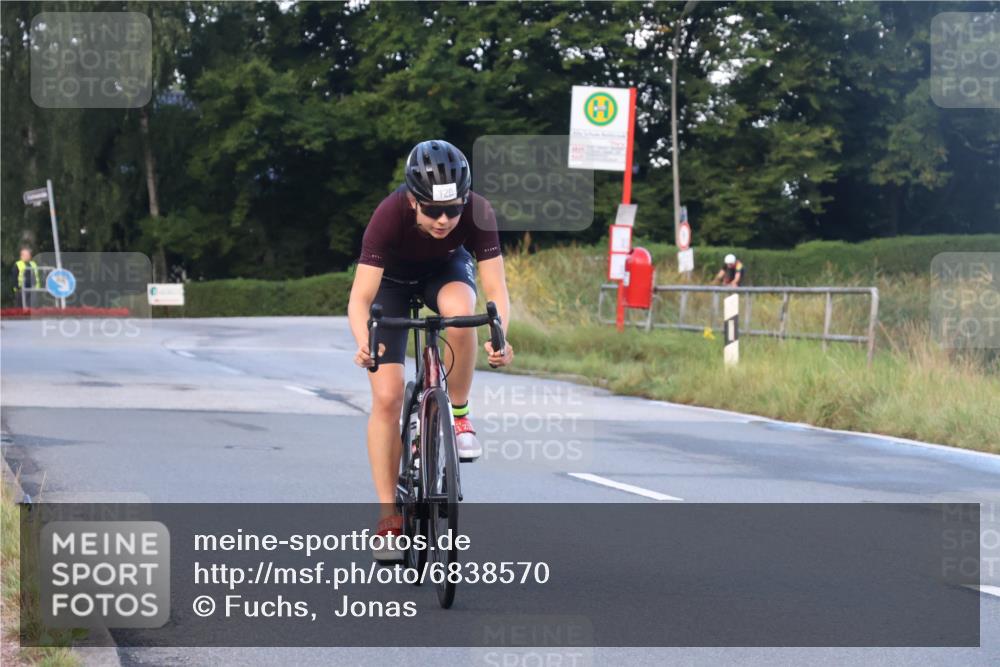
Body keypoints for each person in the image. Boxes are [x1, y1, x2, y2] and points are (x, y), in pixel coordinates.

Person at [348, 139, 514, 561]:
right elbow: (360, 298)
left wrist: (500, 337)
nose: (444, 220)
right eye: (433, 210)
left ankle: (459, 415)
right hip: (391, 284)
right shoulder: (389, 215)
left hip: (445, 271)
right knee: (387, 397)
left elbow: (496, 290)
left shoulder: (478, 212)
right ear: (412, 200)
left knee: (460, 314)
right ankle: (389, 517)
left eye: (453, 210)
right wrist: (364, 340)